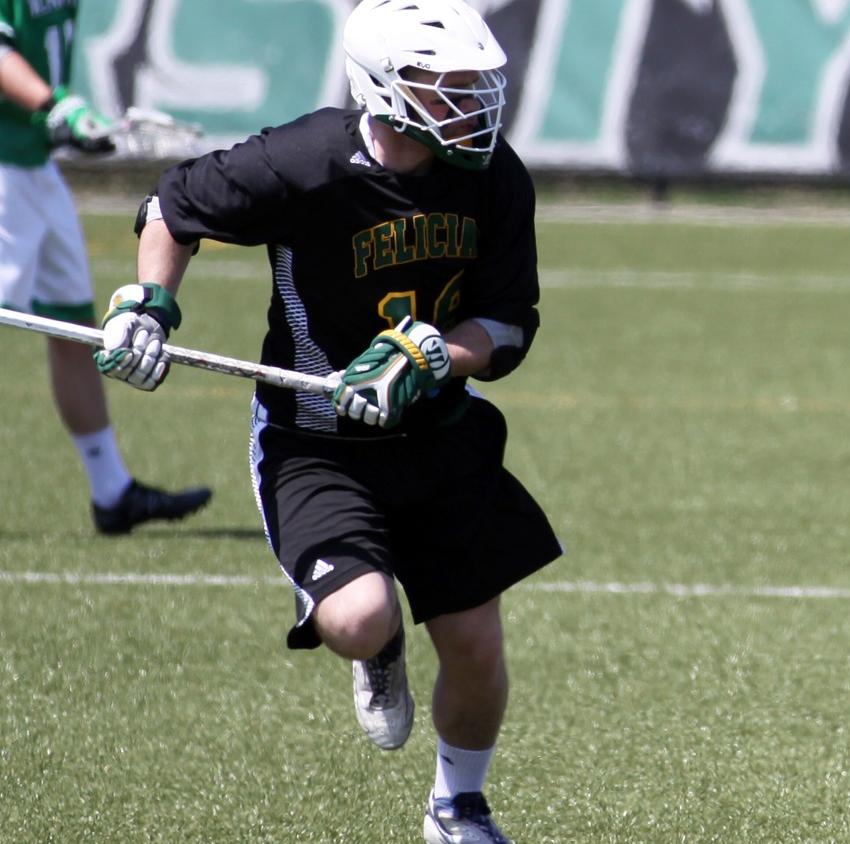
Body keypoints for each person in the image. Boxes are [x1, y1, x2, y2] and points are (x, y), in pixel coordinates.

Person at [96, 1, 559, 840]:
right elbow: (173, 207)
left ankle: (458, 806)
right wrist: (147, 306)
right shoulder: (305, 161)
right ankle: (377, 645)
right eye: (448, 86)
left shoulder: (492, 174)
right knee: (359, 619)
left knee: (477, 643)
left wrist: (429, 359)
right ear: (387, 89)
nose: (473, 103)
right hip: (319, 444)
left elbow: (509, 322)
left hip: (440, 435)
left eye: (476, 84)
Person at [0, 0, 210, 534]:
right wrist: (58, 106)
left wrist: (58, 115)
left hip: (33, 164)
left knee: (74, 329)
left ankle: (111, 491)